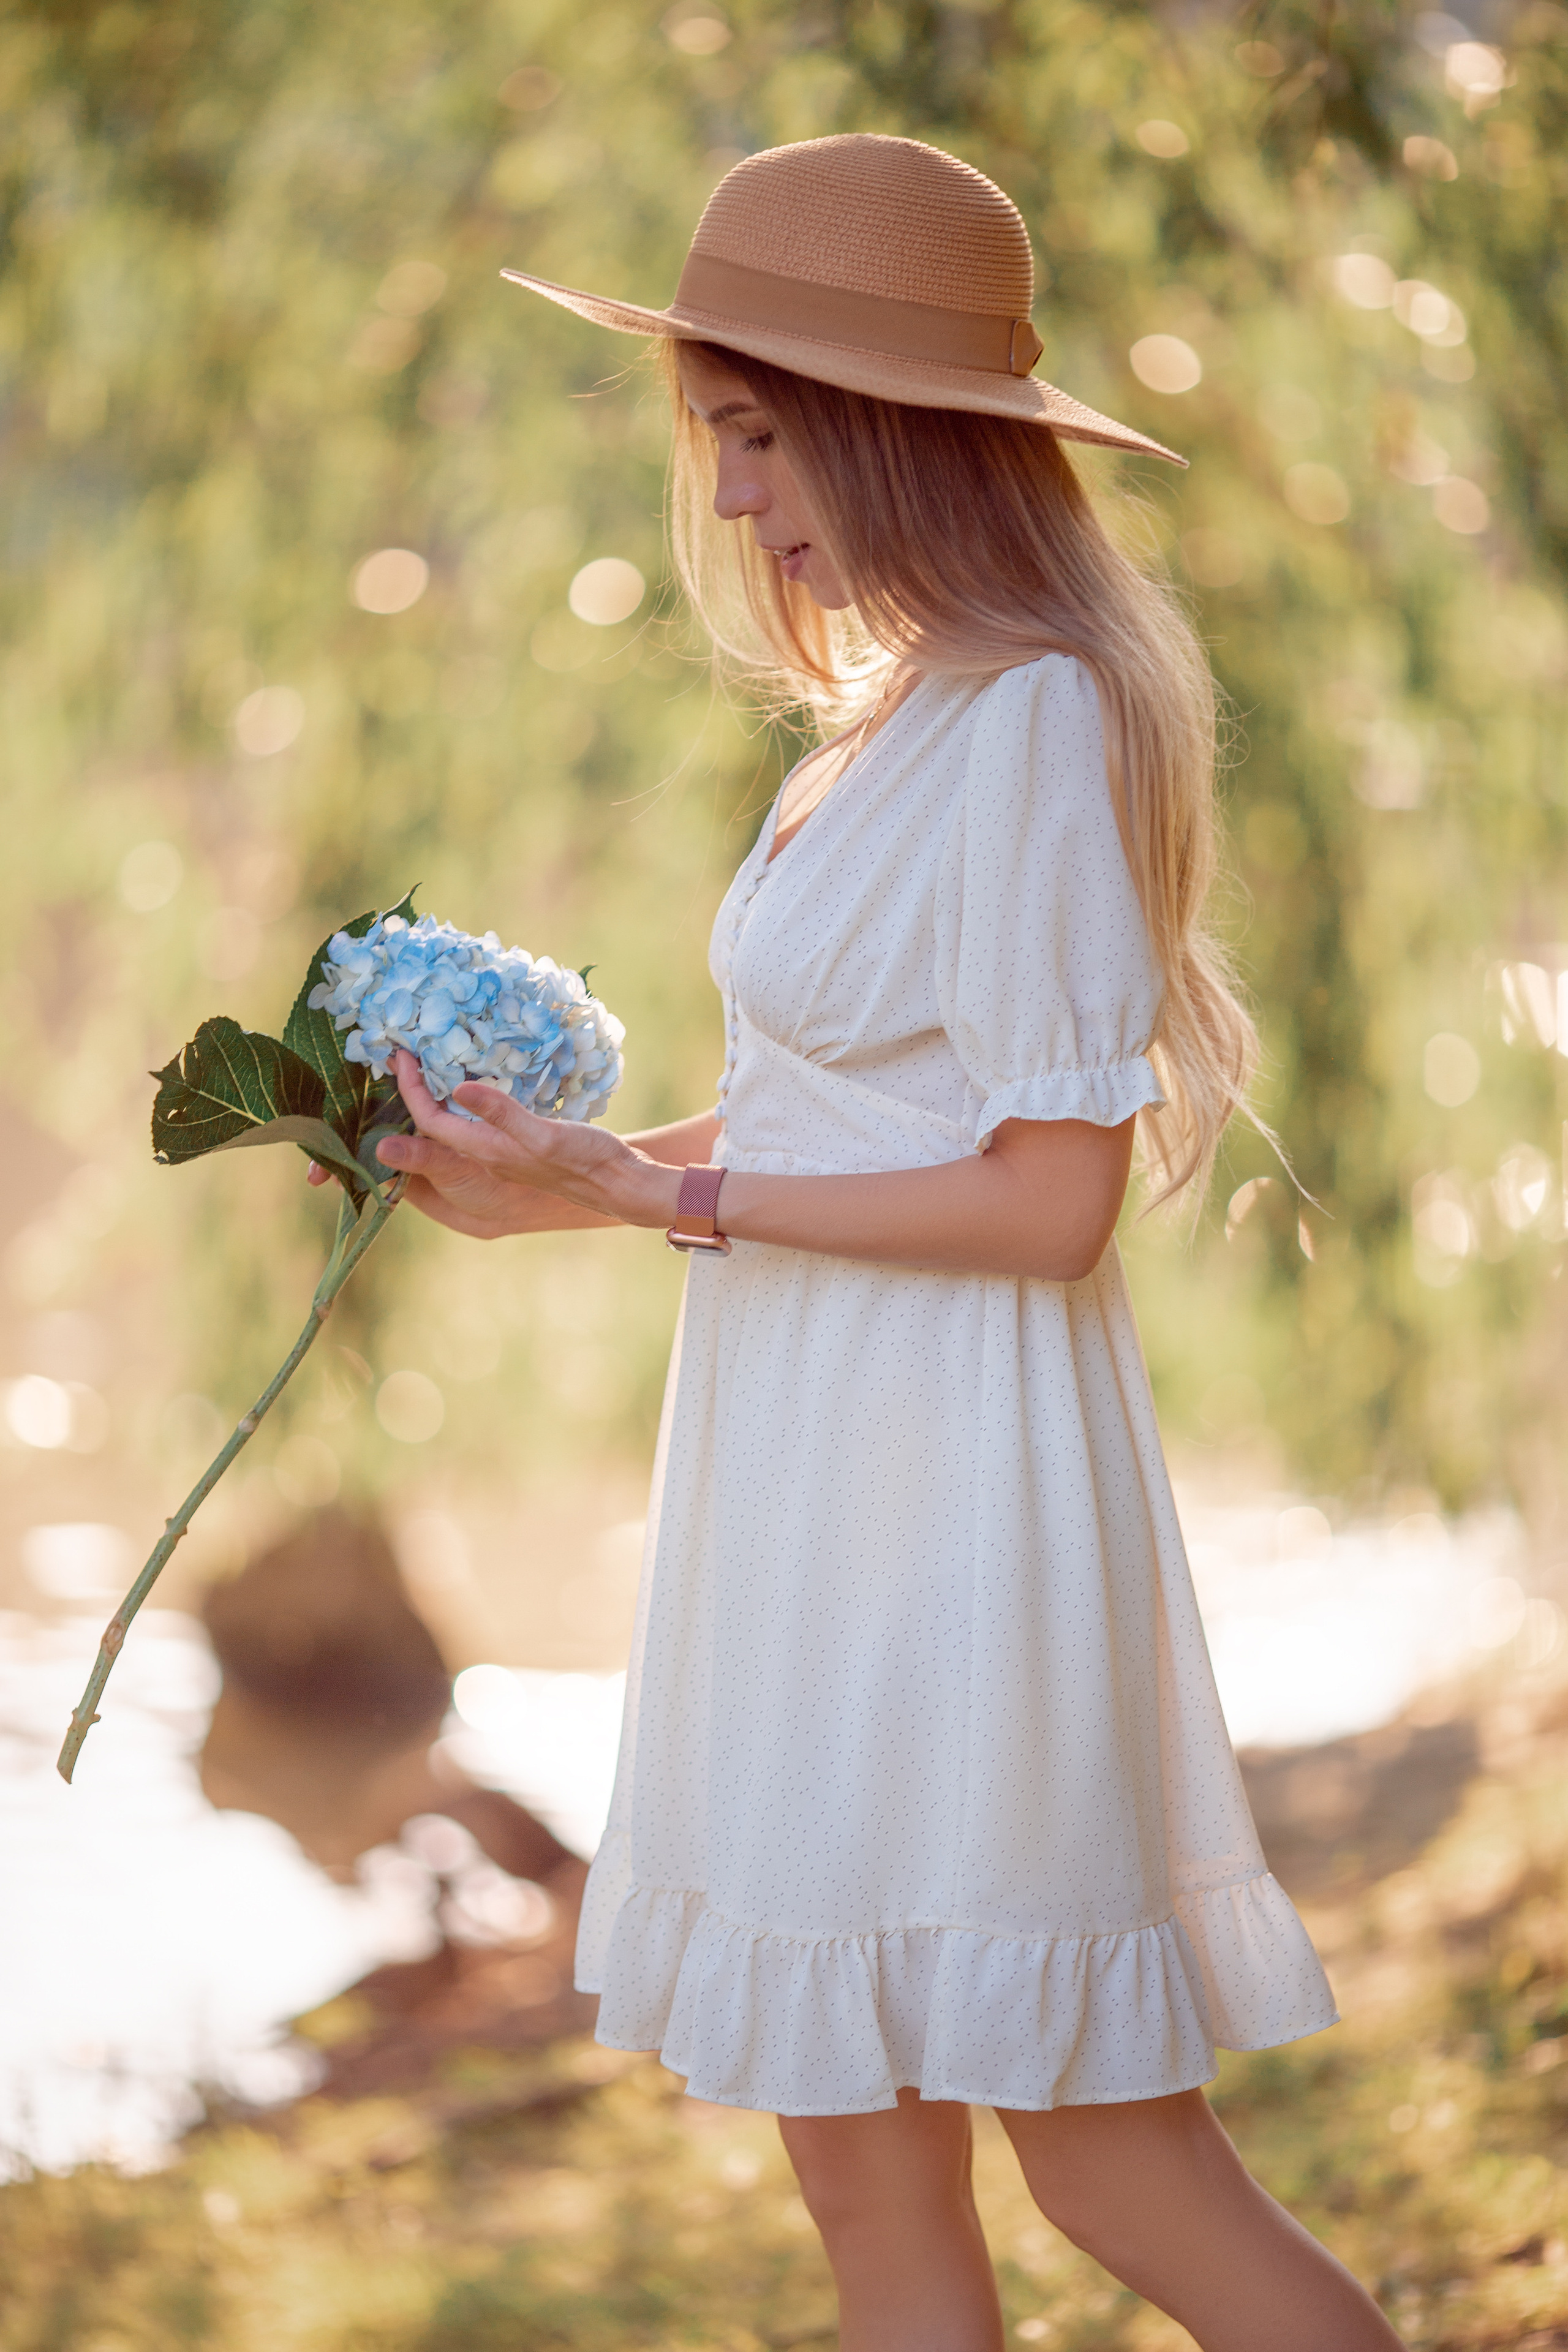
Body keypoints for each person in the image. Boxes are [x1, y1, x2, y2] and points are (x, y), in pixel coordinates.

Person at [367, 135, 1404, 2352]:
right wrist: (567, 1178)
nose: (736, 500)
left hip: (956, 1506)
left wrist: (672, 1199)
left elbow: (1049, 1195)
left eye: (761, 435)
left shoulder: (1034, 714)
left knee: (1114, 2164)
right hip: (809, 1478)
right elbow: (840, 1114)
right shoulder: (888, 723)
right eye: (719, 442)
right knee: (859, 2169)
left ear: (893, 428)